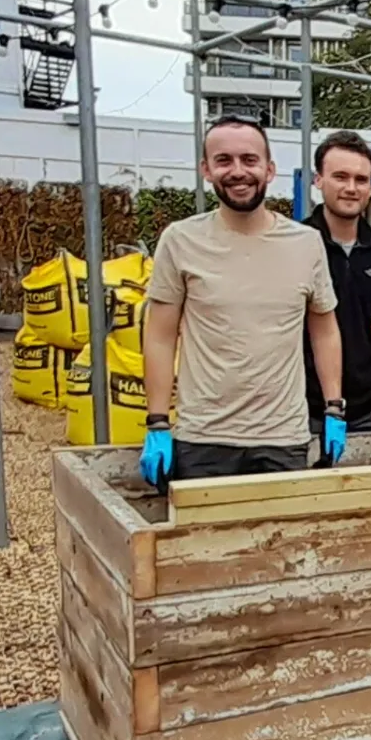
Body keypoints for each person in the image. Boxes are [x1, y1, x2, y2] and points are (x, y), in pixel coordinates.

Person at [139, 114, 347, 486]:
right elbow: (159, 335)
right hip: (203, 440)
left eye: (249, 160)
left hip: (283, 439)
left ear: (269, 170)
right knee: (204, 544)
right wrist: (157, 421)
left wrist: (334, 408)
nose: (238, 171)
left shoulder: (305, 243)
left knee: (284, 544)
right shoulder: (180, 241)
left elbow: (325, 330)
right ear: (206, 169)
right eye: (224, 160)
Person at [302, 130, 371, 445]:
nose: (351, 188)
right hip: (302, 408)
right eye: (340, 177)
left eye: (361, 179)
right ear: (318, 180)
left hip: (363, 408)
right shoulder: (296, 245)